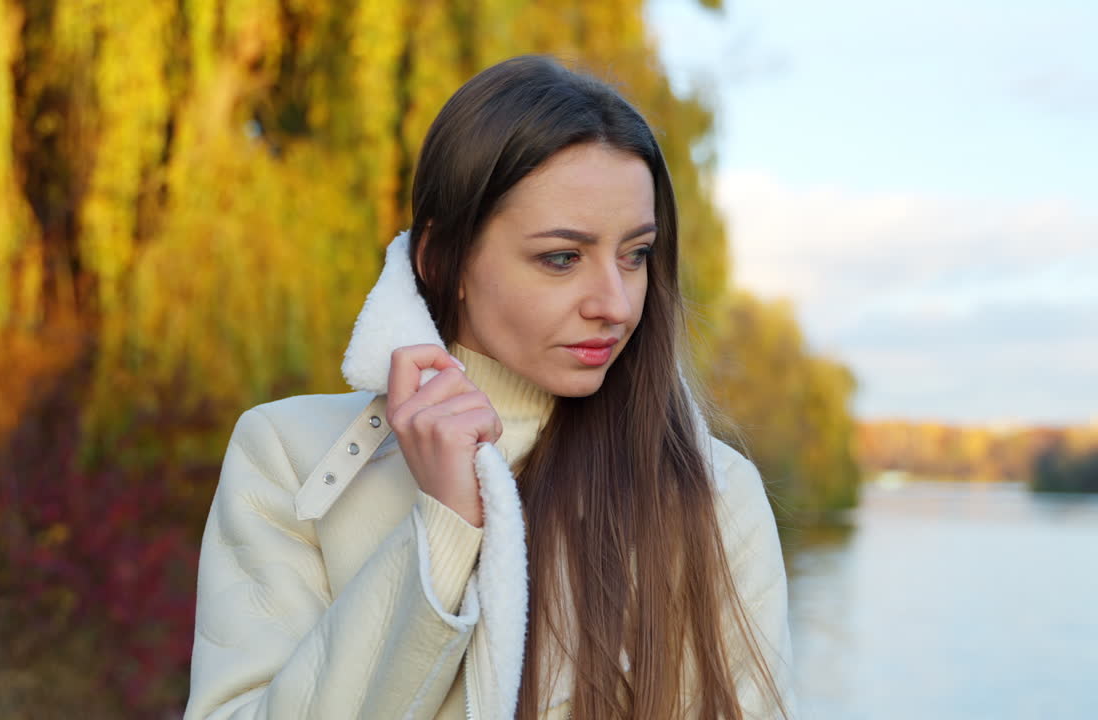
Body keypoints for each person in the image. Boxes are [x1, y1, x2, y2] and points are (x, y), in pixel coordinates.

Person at [184, 54, 795, 720]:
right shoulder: (290, 458)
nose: (616, 305)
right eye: (562, 258)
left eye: (636, 255)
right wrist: (442, 536)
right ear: (443, 261)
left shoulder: (712, 493)